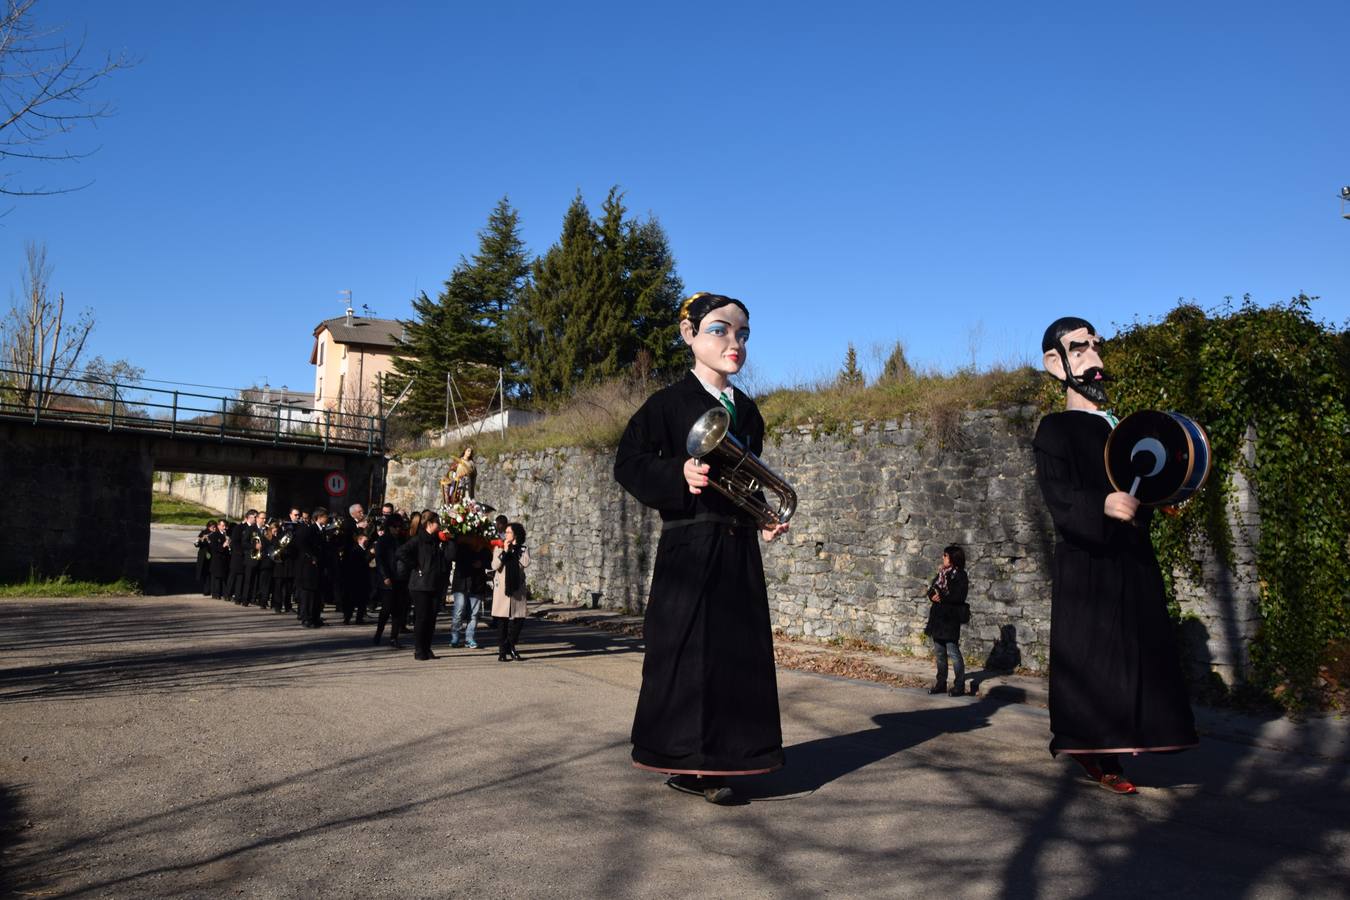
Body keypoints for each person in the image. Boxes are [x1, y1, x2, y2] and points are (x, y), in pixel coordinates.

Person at [613, 291, 789, 805]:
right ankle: (690, 762)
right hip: (689, 546)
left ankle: (739, 756)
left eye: (742, 334)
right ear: (688, 334)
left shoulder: (748, 410)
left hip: (737, 551)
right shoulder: (664, 405)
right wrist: (677, 472)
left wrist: (763, 519)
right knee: (688, 654)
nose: (733, 342)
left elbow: (747, 479)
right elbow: (627, 464)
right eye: (720, 330)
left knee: (739, 653)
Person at [1033, 316, 1198, 795]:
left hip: (1132, 557)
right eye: (1081, 349)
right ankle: (1094, 749)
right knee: (1095, 657)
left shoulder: (1122, 429)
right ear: (1055, 363)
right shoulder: (1055, 430)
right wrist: (1098, 505)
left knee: (1141, 651)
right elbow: (1057, 495)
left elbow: (1146, 478)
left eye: (1097, 347)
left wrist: (1166, 494)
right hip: (1089, 566)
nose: (1096, 360)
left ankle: (1139, 734)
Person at [397, 510, 448, 661]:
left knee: (431, 618)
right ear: (430, 524)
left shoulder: (438, 540)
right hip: (419, 585)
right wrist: (416, 565)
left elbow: (448, 557)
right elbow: (401, 552)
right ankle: (419, 650)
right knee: (422, 618)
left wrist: (449, 540)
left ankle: (427, 648)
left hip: (435, 583)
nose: (439, 526)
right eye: (437, 523)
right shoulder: (418, 539)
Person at [924, 545, 971, 697]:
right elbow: (932, 588)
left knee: (953, 652)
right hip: (938, 619)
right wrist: (932, 595)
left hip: (950, 619)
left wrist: (942, 597)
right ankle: (941, 683)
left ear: (953, 558)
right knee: (939, 653)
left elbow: (959, 596)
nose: (943, 558)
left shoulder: (960, 575)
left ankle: (959, 685)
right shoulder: (941, 573)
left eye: (945, 555)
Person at [490, 523, 530, 661]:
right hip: (502, 588)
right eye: (505, 532)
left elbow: (526, 563)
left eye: (508, 532)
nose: (505, 534)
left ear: (515, 535)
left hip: (517, 588)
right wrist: (505, 551)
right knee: (502, 620)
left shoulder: (523, 549)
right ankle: (502, 651)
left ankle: (510, 644)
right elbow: (494, 565)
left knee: (519, 618)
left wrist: (514, 550)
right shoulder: (499, 547)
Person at [372, 514, 410, 649]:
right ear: (389, 527)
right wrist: (385, 576)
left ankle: (394, 638)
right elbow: (380, 560)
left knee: (398, 610)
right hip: (388, 579)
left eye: (400, 526)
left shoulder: (403, 540)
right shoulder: (383, 541)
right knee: (386, 609)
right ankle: (378, 633)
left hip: (401, 578)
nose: (398, 529)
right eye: (395, 527)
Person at [448, 536, 490, 649]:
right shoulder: (460, 541)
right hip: (461, 582)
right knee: (459, 610)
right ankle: (455, 635)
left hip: (477, 582)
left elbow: (489, 558)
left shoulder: (482, 540)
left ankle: (469, 638)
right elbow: (451, 556)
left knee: (474, 613)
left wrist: (482, 563)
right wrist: (452, 539)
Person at [207, 519, 231, 599]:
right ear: (218, 526)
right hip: (217, 559)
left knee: (224, 577)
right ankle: (216, 594)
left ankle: (225, 594)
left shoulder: (226, 535)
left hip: (225, 559)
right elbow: (214, 548)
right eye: (223, 526)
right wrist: (223, 546)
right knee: (217, 577)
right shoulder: (214, 535)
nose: (224, 528)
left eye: (225, 526)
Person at [194, 520, 215, 596]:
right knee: (204, 573)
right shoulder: (203, 532)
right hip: (203, 555)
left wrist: (209, 540)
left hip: (211, 555)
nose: (214, 528)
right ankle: (206, 589)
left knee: (210, 573)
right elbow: (197, 544)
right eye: (212, 527)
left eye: (215, 527)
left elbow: (214, 545)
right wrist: (199, 540)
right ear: (209, 527)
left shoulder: (215, 534)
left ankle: (210, 589)